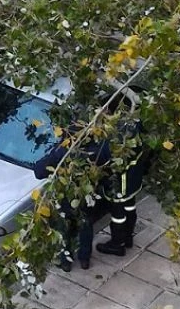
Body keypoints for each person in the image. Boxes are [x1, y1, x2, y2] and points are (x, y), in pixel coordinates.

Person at [34, 124, 112, 271]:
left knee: (64, 228)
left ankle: (66, 261)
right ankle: (84, 259)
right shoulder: (98, 149)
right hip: (87, 197)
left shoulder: (62, 153)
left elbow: (39, 171)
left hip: (65, 197)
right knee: (86, 225)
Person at [96, 95, 149, 256]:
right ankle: (128, 237)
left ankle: (117, 244)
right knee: (130, 207)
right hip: (134, 178)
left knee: (118, 215)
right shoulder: (133, 125)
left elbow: (104, 158)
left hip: (120, 183)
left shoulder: (115, 138)